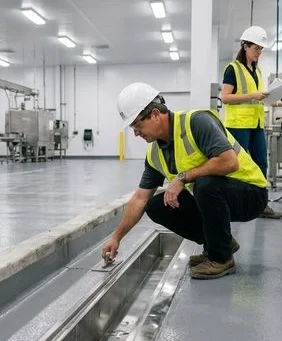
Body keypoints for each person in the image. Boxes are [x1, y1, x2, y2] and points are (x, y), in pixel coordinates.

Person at [101, 83, 269, 280]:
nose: (136, 133)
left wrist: (182, 178)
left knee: (205, 185)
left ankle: (222, 258)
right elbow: (140, 198)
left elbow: (229, 162)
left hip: (251, 194)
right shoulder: (155, 154)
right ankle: (220, 244)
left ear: (155, 114)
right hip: (216, 197)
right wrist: (116, 237)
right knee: (156, 205)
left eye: (137, 125)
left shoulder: (197, 122)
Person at [221, 25, 282, 219]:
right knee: (235, 166)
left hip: (256, 125)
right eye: (256, 49)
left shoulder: (257, 71)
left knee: (261, 163)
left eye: (261, 50)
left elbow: (261, 98)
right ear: (245, 46)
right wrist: (253, 95)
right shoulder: (233, 69)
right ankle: (232, 204)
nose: (259, 53)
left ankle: (261, 205)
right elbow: (226, 98)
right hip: (237, 125)